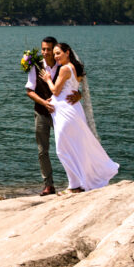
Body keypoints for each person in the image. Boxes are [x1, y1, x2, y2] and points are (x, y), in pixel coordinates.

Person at [40, 43, 119, 193]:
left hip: (66, 112)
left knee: (62, 149)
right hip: (72, 109)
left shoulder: (64, 69)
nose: (56, 56)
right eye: (55, 54)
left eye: (58, 53)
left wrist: (48, 78)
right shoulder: (76, 68)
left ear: (67, 52)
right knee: (76, 146)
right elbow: (71, 89)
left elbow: (56, 91)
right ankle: (78, 183)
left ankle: (75, 184)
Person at [25, 36, 82, 195]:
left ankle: (76, 181)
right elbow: (29, 91)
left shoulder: (63, 65)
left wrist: (79, 95)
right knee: (43, 150)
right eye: (43, 49)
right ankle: (48, 185)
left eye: (48, 50)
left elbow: (73, 85)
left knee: (67, 147)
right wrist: (44, 103)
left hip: (62, 114)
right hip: (42, 112)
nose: (45, 53)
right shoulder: (35, 67)